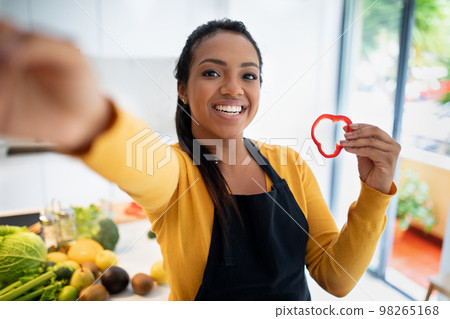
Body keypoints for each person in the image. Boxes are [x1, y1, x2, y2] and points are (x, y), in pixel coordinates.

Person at [0, 19, 401, 300]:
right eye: (211, 73)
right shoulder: (175, 171)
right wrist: (91, 120)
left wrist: (376, 189)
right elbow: (142, 162)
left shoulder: (291, 164)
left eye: (249, 75)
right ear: (183, 90)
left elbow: (337, 278)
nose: (233, 88)